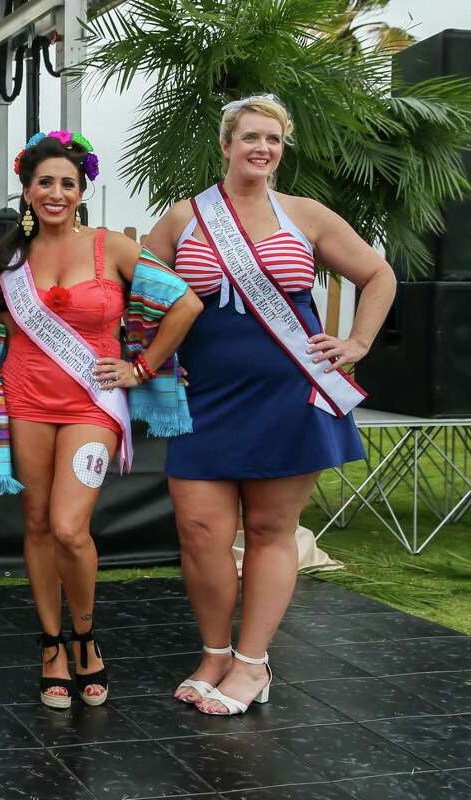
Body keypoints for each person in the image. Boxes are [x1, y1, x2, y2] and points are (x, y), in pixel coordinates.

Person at [144, 95, 395, 715]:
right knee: (201, 531)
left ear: (281, 151)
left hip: (291, 394)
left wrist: (358, 341)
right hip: (203, 399)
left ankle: (252, 663)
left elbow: (379, 275)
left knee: (269, 530)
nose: (262, 148)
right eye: (251, 137)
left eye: (273, 140)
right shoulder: (182, 219)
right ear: (226, 144)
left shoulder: (305, 214)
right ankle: (213, 653)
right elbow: (136, 294)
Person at [0, 131, 201, 709]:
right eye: (45, 182)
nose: (56, 193)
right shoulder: (10, 256)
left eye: (67, 184)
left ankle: (85, 634)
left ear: (82, 191)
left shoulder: (113, 247)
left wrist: (142, 366)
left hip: (91, 404)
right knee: (34, 524)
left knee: (68, 528)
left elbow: (185, 304)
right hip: (24, 399)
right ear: (27, 189)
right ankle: (50, 643)